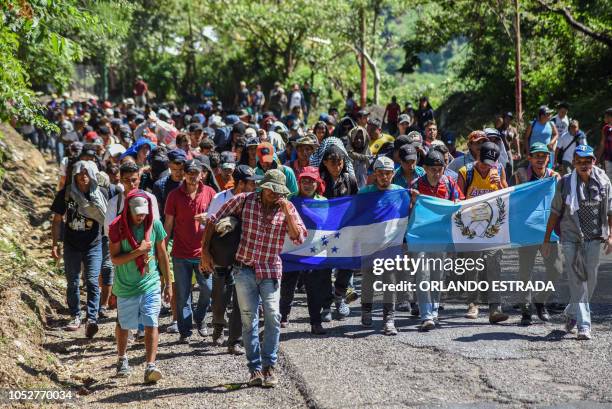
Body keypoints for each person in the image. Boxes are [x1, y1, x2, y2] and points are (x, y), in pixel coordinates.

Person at [200, 169, 307, 387]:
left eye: (279, 193)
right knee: (248, 319)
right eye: (271, 191)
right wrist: (205, 252)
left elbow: (299, 238)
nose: (275, 196)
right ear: (263, 187)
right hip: (244, 269)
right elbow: (213, 219)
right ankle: (255, 369)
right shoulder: (244, 201)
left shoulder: (286, 207)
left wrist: (286, 211)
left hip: (270, 269)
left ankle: (270, 366)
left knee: (273, 316)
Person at [543, 145, 612, 340]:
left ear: (594, 162)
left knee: (590, 281)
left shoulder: (604, 182)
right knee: (578, 280)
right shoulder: (565, 183)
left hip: (595, 237)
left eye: (587, 160)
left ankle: (572, 311)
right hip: (571, 238)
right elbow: (555, 212)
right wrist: (547, 239)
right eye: (580, 161)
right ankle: (584, 326)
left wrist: (611, 235)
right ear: (574, 162)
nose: (584, 164)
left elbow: (610, 211)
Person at [109, 191, 171, 383]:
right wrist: (138, 252)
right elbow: (115, 259)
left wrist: (168, 283)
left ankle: (150, 366)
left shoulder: (155, 225)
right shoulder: (116, 227)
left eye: (144, 213)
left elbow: (162, 255)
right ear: (128, 210)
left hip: (150, 282)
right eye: (137, 213)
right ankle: (122, 358)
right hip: (126, 285)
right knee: (124, 324)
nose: (141, 216)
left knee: (152, 320)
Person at [206, 165, 262, 355]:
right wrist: (205, 253)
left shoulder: (254, 200)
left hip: (242, 255)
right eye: (251, 182)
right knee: (220, 294)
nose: (254, 185)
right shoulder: (220, 199)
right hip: (222, 253)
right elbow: (210, 224)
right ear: (240, 183)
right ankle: (219, 325)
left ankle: (235, 340)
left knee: (241, 298)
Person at [51, 160, 108, 337]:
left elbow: (110, 220)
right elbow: (57, 220)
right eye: (80, 173)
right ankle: (75, 315)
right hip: (71, 245)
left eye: (86, 173)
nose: (83, 177)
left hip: (94, 245)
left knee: (92, 281)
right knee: (73, 282)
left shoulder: (101, 194)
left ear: (92, 175)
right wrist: (54, 244)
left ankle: (92, 319)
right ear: (74, 175)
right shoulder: (66, 194)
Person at [164, 159, 216, 343]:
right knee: (183, 293)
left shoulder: (210, 193)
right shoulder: (174, 195)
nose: (193, 177)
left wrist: (208, 218)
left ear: (202, 174)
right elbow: (168, 224)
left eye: (196, 173)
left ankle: (200, 318)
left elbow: (219, 219)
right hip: (180, 252)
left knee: (208, 289)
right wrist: (162, 246)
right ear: (184, 174)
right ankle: (185, 331)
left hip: (203, 253)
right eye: (190, 173)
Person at [410, 150, 464, 330]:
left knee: (437, 275)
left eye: (440, 169)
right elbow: (407, 213)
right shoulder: (415, 185)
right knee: (422, 273)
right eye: (432, 169)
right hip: (420, 238)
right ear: (424, 168)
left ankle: (434, 311)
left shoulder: (449, 184)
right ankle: (426, 315)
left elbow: (460, 204)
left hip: (441, 238)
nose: (436, 173)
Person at [457, 142, 509, 323]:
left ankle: (495, 307)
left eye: (490, 163)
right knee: (473, 266)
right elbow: (458, 199)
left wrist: (500, 184)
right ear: (477, 156)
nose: (487, 166)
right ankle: (473, 303)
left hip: (493, 228)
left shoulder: (499, 169)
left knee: (494, 264)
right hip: (471, 228)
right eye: (484, 161)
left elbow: (507, 197)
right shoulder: (465, 172)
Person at [512, 143, 562, 325]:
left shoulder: (555, 177)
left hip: (549, 232)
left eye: (544, 155)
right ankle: (526, 310)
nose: (540, 159)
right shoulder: (520, 175)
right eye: (536, 155)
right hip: (527, 230)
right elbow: (511, 201)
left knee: (556, 269)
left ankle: (540, 300)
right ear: (530, 158)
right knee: (525, 271)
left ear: (548, 159)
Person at [358, 157, 403, 335]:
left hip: (391, 243)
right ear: (375, 174)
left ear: (393, 174)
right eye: (380, 173)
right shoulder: (364, 193)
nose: (384, 177)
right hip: (369, 244)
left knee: (389, 280)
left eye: (388, 173)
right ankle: (366, 310)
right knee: (368, 279)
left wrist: (415, 199)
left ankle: (389, 319)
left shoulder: (401, 192)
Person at [281, 167, 328, 333]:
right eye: (304, 181)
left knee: (314, 289)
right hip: (291, 250)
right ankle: (282, 316)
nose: (307, 184)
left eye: (311, 181)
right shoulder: (289, 199)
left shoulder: (324, 202)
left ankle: (316, 322)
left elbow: (324, 223)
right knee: (287, 287)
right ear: (299, 182)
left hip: (312, 252)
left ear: (318, 183)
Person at [318, 145, 358, 320]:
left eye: (340, 162)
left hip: (345, 231)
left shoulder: (350, 180)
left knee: (347, 266)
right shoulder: (318, 180)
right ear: (325, 163)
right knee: (324, 270)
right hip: (323, 233)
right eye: (333, 162)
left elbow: (357, 203)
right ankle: (326, 306)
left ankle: (339, 297)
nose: (337, 166)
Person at [596, 108, 612, 181]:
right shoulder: (605, 128)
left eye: (606, 116)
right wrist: (597, 158)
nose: (604, 118)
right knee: (609, 178)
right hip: (608, 157)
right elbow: (602, 143)